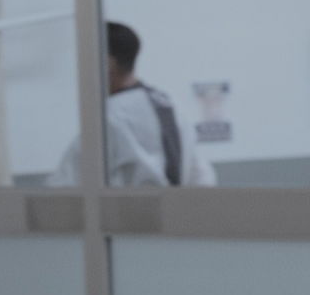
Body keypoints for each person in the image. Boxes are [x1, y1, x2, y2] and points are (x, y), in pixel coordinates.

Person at [46, 21, 216, 188]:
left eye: (84, 62)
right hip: (178, 205)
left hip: (129, 206)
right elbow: (201, 178)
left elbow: (65, 183)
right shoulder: (170, 105)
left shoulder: (111, 114)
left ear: (107, 63)